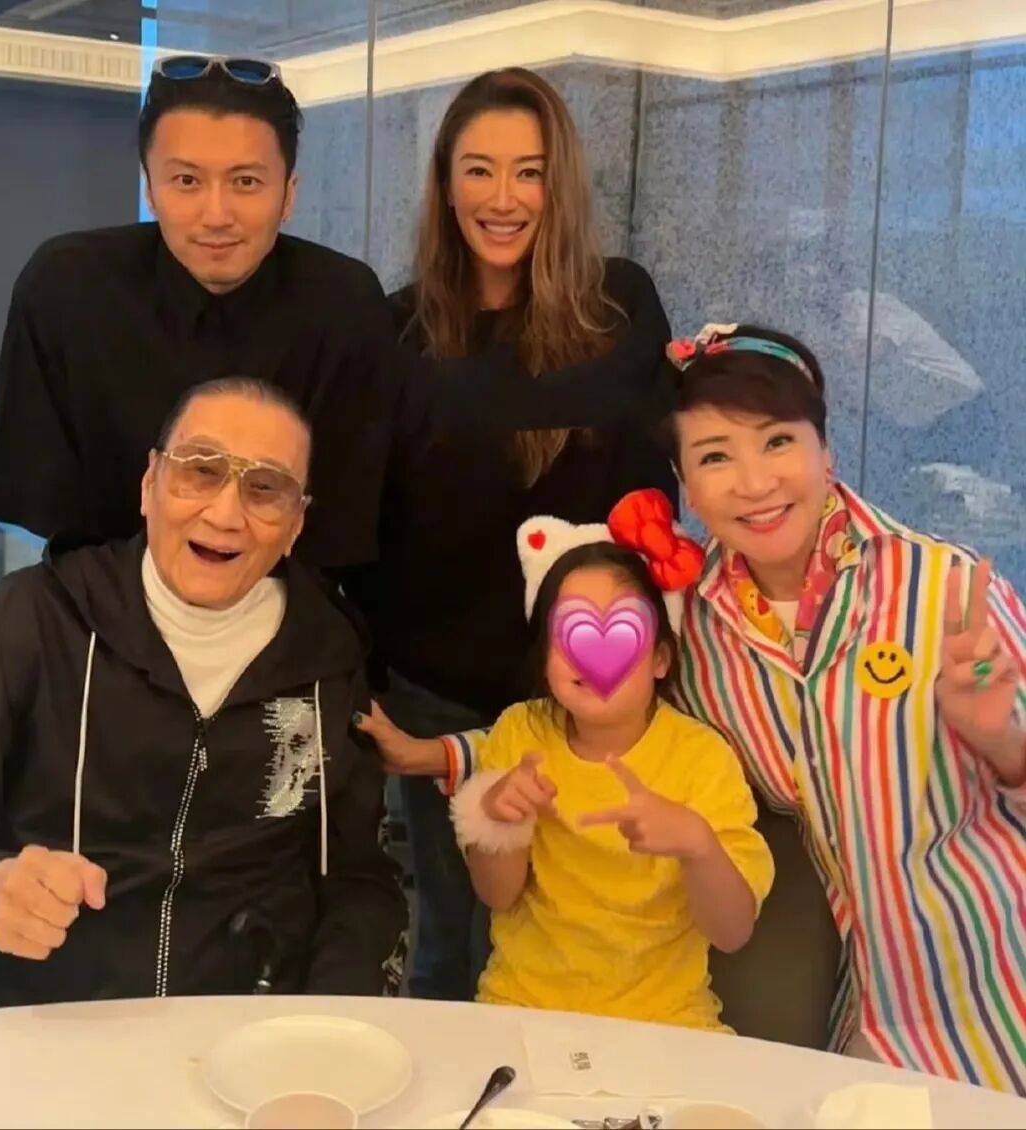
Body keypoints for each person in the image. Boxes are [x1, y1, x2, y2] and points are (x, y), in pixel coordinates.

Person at [0, 57, 666, 571]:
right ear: (150, 186)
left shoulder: (343, 304)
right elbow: (46, 524)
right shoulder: (69, 288)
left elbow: (343, 537)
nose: (216, 213)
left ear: (289, 193)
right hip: (112, 641)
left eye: (246, 181)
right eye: (186, 180)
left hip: (580, 647)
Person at [351, 67, 676, 1000]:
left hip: (587, 683)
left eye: (529, 172)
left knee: (580, 935)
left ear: (558, 184)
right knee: (452, 944)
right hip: (440, 696)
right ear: (446, 184)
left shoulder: (615, 307)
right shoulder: (398, 328)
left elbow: (652, 490)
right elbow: (370, 516)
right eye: (479, 170)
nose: (503, 198)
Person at [0, 378, 405, 1009]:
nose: (226, 514)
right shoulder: (31, 621)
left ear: (296, 524)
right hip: (45, 1022)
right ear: (149, 484)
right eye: (201, 471)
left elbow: (360, 884)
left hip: (249, 1035)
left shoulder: (328, 656)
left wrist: (328, 1024)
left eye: (265, 489)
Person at [649, 324, 1023, 1093]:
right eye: (715, 456)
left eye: (778, 441)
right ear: (684, 483)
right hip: (871, 1020)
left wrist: (1000, 740)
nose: (755, 483)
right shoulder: (694, 634)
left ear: (827, 451)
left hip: (1002, 981)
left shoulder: (945, 588)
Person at [449, 534, 773, 1025]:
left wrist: (698, 845)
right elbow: (496, 895)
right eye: (571, 632)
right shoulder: (520, 731)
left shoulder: (702, 757)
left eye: (623, 630)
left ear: (660, 659)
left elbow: (732, 933)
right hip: (524, 1007)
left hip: (666, 1021)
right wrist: (499, 817)